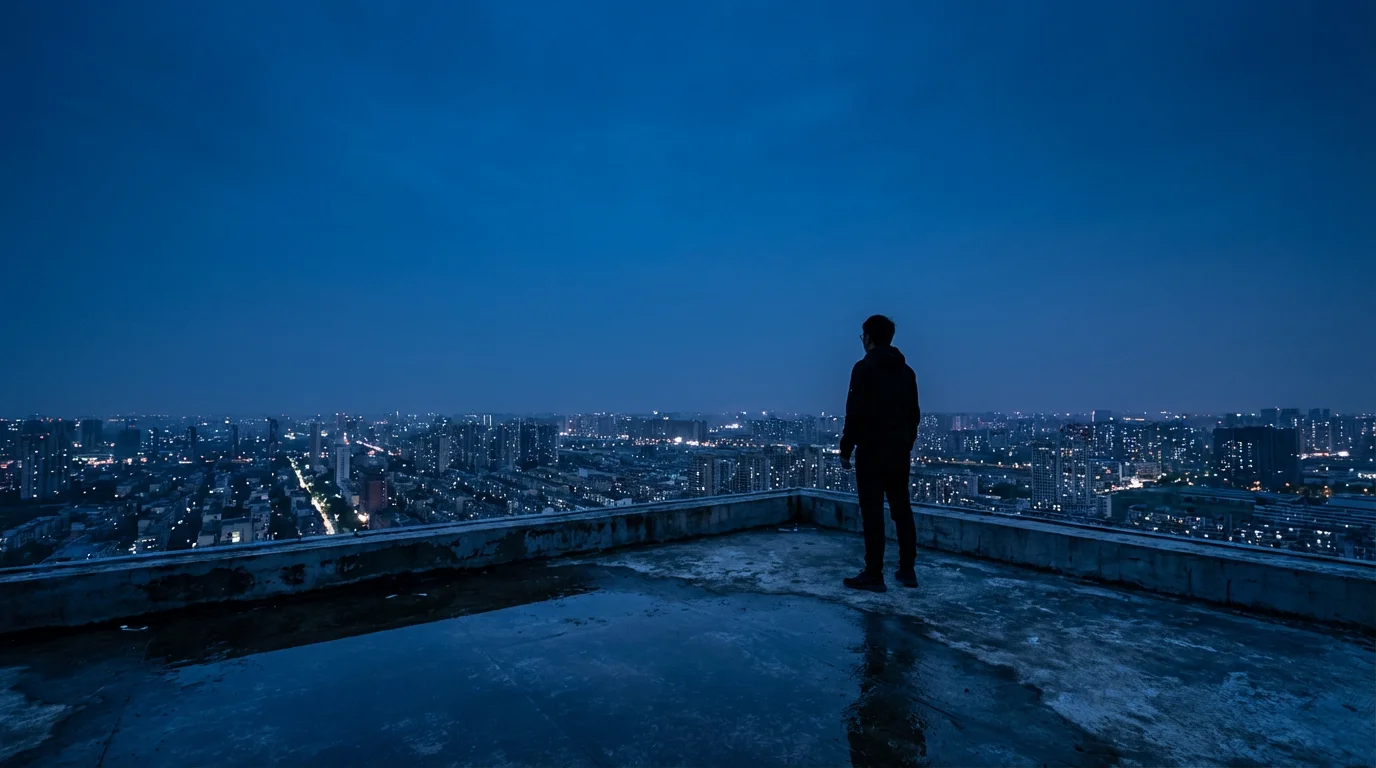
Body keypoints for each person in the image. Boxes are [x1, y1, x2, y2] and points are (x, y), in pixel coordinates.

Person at [839, 314, 920, 592]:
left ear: (869, 338)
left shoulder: (863, 368)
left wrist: (845, 449)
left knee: (872, 512)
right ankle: (908, 570)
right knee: (902, 509)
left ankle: (874, 574)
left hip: (872, 452)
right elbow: (914, 416)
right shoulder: (907, 372)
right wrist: (906, 444)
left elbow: (855, 413)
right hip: (899, 452)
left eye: (863, 336)